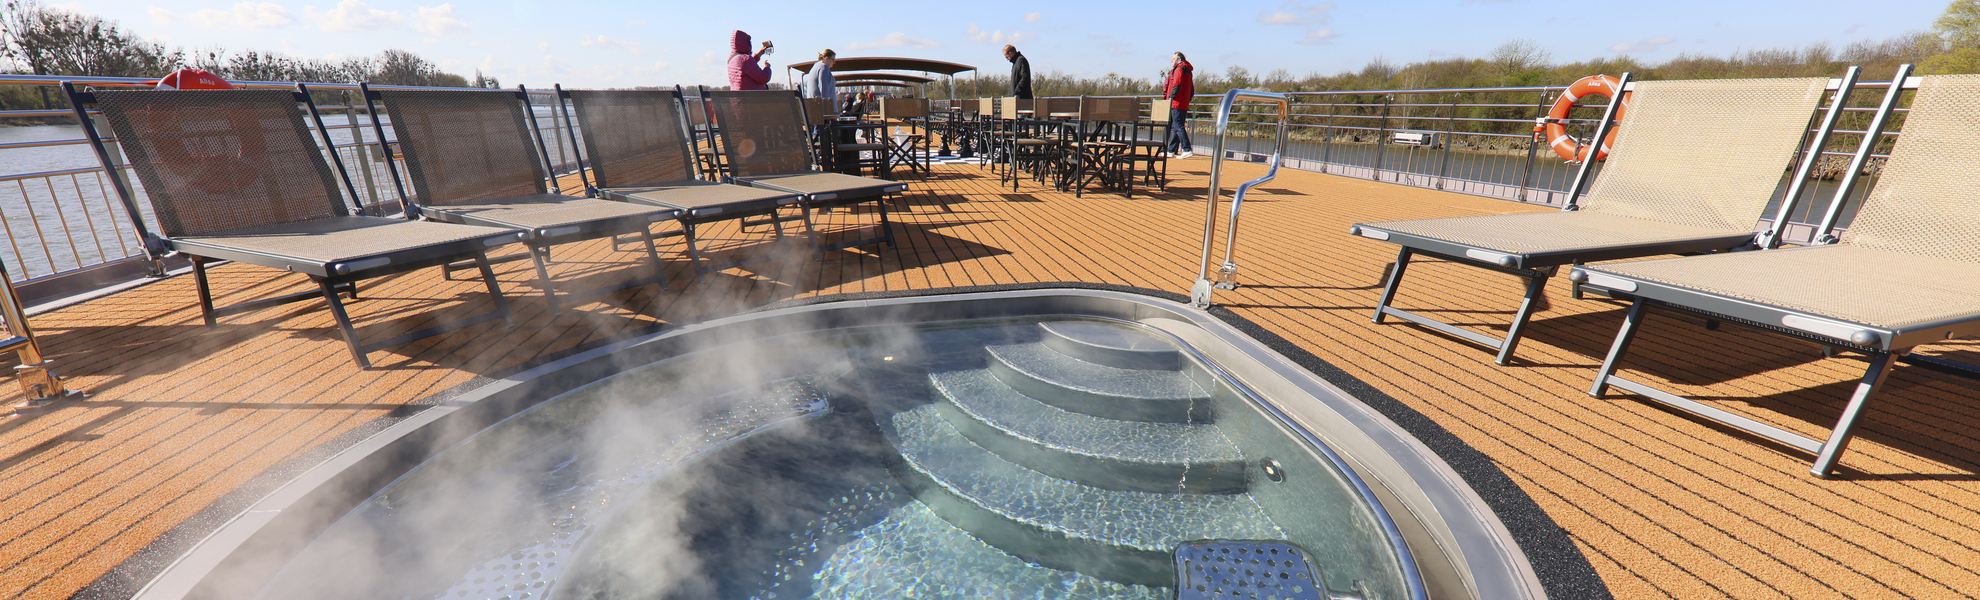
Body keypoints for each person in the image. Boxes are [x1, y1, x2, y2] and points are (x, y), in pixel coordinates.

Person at [1163, 51, 1195, 159]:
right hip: (1183, 102)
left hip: (1177, 103)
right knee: (1176, 126)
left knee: (1178, 125)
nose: (1171, 61)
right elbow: (1191, 89)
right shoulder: (1188, 71)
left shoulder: (1179, 69)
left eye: (1173, 59)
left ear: (1179, 59)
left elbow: (1176, 85)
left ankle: (1187, 148)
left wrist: (1170, 98)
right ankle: (1171, 150)